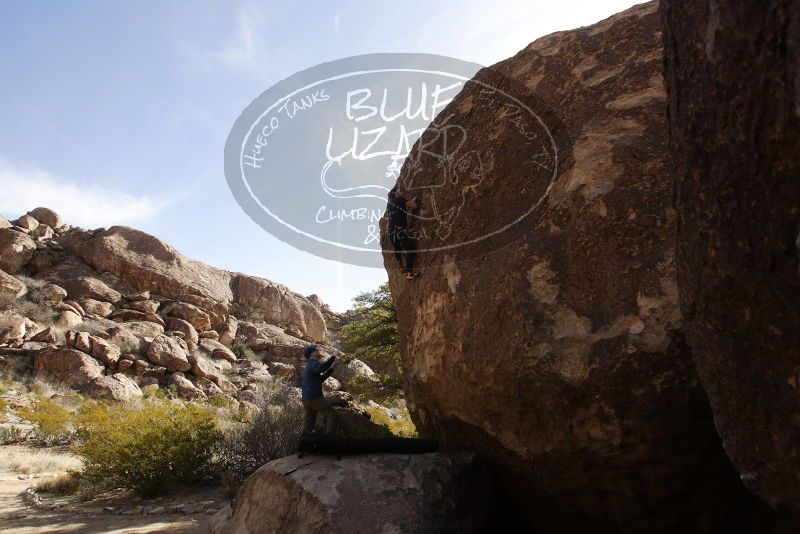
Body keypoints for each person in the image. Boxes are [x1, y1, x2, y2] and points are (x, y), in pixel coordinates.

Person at [300, 345, 338, 435]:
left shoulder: (309, 366)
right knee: (332, 415)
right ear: (311, 354)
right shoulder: (313, 362)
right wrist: (333, 356)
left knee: (308, 426)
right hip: (314, 397)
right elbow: (321, 369)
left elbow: (320, 379)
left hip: (306, 399)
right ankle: (329, 442)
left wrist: (331, 369)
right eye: (315, 350)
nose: (318, 351)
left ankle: (303, 446)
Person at [387, 188, 419, 279]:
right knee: (411, 249)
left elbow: (404, 207)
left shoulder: (390, 205)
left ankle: (400, 263)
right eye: (399, 191)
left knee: (398, 247)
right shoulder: (400, 199)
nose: (401, 192)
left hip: (392, 232)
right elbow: (414, 206)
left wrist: (410, 201)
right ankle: (409, 273)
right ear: (397, 193)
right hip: (400, 230)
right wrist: (414, 200)